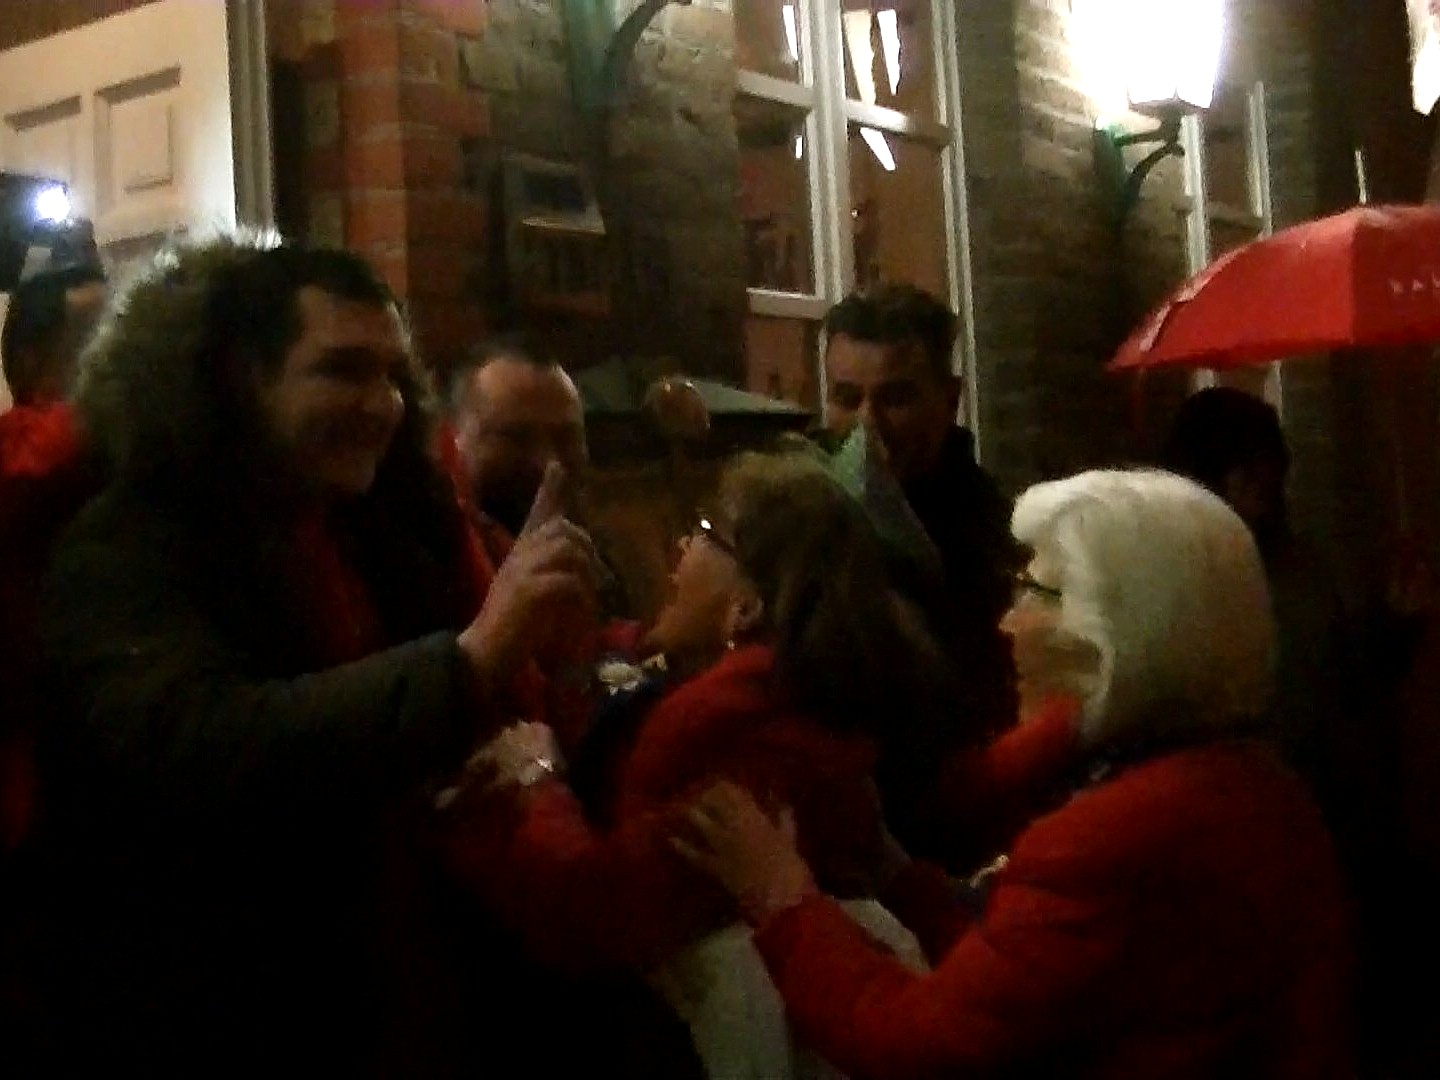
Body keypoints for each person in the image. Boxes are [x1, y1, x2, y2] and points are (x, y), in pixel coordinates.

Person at [32, 233, 595, 1078]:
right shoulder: (127, 546)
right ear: (242, 377)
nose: (380, 405)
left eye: (391, 375)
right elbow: (207, 742)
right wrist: (472, 661)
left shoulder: (378, 526)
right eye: (340, 371)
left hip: (384, 996)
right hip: (210, 1018)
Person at [676, 469, 1354, 1079]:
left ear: (1124, 631)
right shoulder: (1251, 782)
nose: (1008, 624)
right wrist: (897, 876)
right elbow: (1018, 981)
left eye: (1039, 592)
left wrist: (782, 899)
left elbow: (919, 1046)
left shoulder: (1114, 832)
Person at [439, 451, 961, 1070]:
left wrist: (535, 782)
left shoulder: (744, 752)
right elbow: (622, 661)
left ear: (745, 607)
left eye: (706, 531)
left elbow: (596, 912)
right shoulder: (776, 709)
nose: (682, 546)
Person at [818, 282, 1019, 859]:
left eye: (896, 398)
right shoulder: (804, 513)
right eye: (846, 398)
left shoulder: (990, 537)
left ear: (948, 399)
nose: (867, 425)